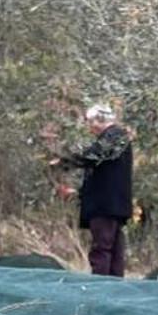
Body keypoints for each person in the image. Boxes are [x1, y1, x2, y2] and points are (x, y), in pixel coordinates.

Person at [55, 102, 134, 277]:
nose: (90, 127)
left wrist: (64, 161)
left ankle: (100, 290)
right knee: (114, 250)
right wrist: (78, 192)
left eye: (90, 122)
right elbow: (104, 171)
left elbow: (92, 157)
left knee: (102, 250)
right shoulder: (117, 138)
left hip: (105, 205)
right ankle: (113, 287)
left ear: (99, 120)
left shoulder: (114, 136)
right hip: (113, 204)